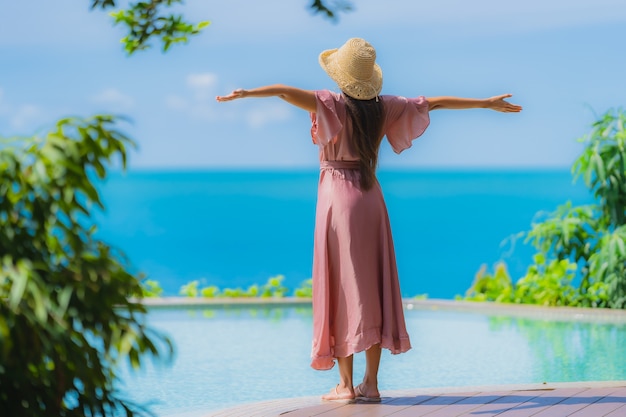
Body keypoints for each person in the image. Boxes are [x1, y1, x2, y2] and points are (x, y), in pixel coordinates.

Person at [216, 37, 522, 404]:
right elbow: (435, 102)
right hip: (371, 198)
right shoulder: (384, 108)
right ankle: (371, 384)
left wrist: (248, 93)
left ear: (341, 77)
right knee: (371, 287)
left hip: (336, 201)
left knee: (341, 288)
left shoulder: (328, 102)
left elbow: (284, 93)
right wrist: (485, 103)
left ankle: (345, 386)